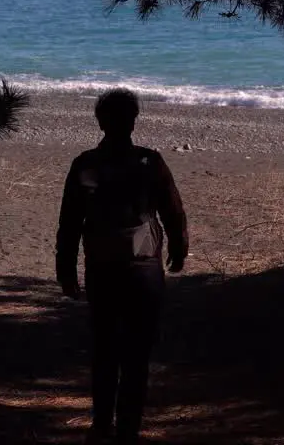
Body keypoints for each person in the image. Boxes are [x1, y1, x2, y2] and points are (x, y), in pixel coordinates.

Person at [56, 89, 189, 444]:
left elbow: (69, 223)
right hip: (144, 268)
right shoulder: (150, 162)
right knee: (137, 354)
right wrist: (179, 247)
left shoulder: (85, 163)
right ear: (134, 120)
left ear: (100, 122)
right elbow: (173, 213)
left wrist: (65, 269)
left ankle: (102, 425)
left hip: (102, 268)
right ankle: (127, 428)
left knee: (104, 349)